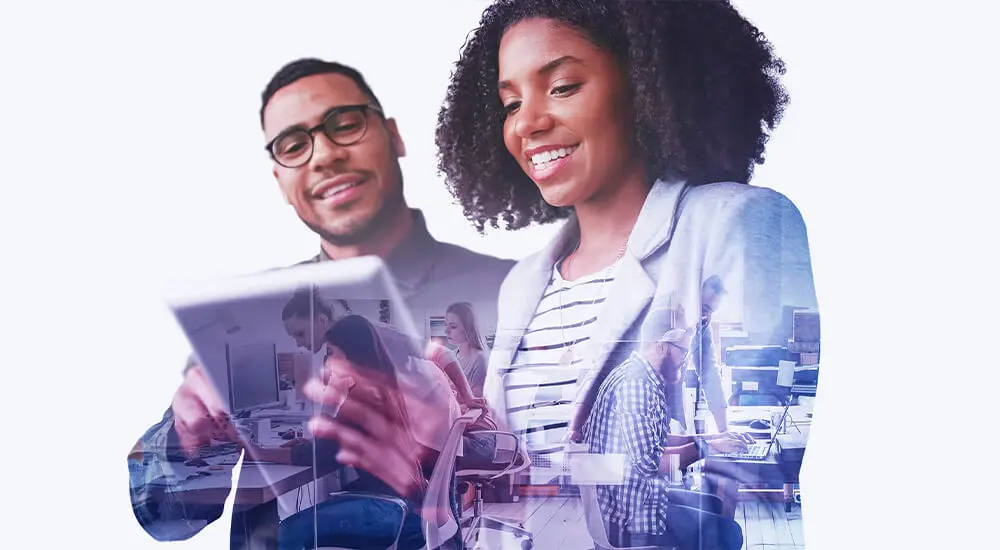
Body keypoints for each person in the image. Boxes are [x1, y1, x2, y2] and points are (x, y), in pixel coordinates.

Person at [433, 0, 820, 525]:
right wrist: (455, 429)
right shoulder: (525, 282)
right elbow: (523, 472)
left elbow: (756, 468)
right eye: (510, 103)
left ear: (645, 84)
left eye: (563, 87)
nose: (527, 122)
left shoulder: (736, 223)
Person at [128, 58, 513, 549]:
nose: (323, 155)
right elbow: (164, 518)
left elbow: (507, 460)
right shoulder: (248, 319)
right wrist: (187, 437)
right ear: (280, 182)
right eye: (293, 145)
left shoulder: (510, 289)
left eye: (346, 124)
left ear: (393, 135)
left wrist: (446, 429)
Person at [582, 309, 747, 549]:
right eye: (683, 351)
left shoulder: (643, 377)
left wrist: (712, 437)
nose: (686, 359)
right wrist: (708, 447)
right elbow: (650, 463)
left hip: (636, 495)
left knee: (713, 504)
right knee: (728, 534)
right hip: (628, 515)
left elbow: (657, 440)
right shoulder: (636, 386)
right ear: (661, 347)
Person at [444, 301, 489, 396]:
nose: (446, 331)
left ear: (468, 328)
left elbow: (478, 402)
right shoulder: (451, 355)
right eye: (446, 325)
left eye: (453, 326)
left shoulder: (480, 359)